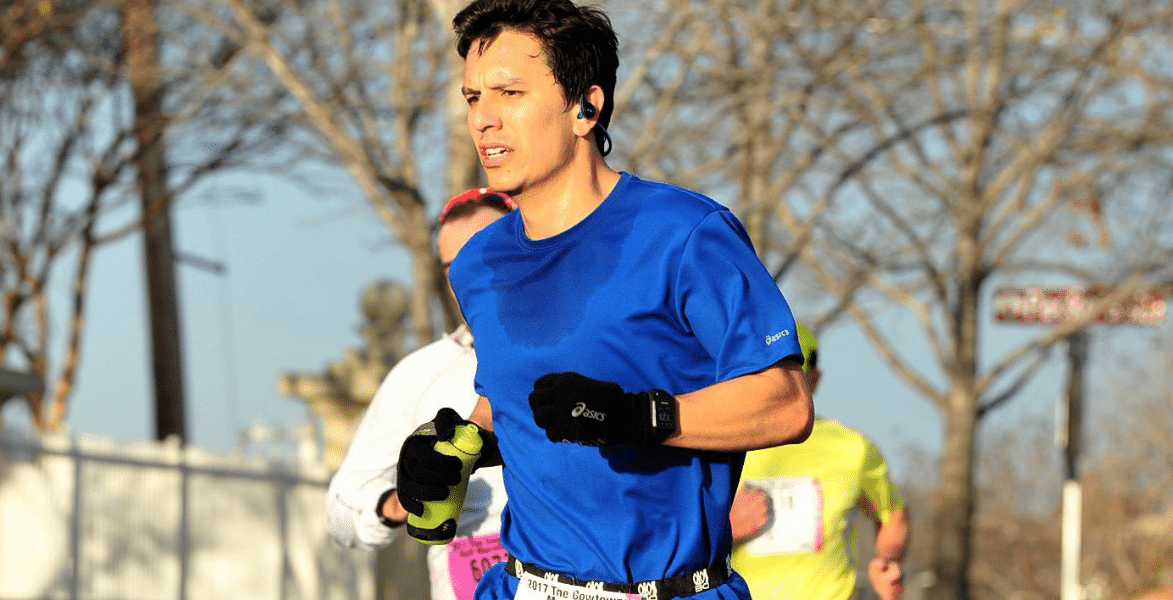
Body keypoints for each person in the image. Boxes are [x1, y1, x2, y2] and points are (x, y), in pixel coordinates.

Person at [395, 1, 815, 599]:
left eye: (510, 93)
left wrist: (637, 418)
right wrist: (456, 453)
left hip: (665, 586)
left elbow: (786, 405)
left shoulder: (685, 233)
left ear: (585, 107)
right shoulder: (479, 264)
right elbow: (516, 402)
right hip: (521, 585)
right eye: (472, 98)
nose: (484, 119)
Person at [326, 188, 516, 600]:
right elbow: (340, 509)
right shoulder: (423, 372)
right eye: (452, 266)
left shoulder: (591, 351)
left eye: (484, 253)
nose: (467, 278)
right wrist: (400, 502)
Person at [729, 324, 911, 600]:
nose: (779, 391)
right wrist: (727, 530)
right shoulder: (722, 444)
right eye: (768, 378)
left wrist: (887, 560)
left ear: (813, 380)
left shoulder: (852, 447)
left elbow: (893, 515)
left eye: (793, 379)